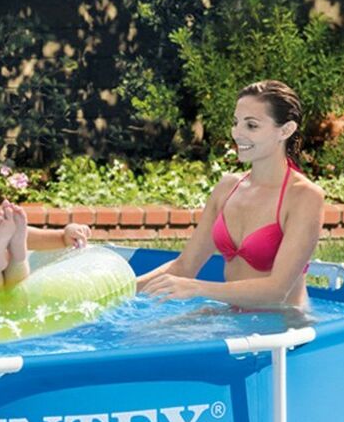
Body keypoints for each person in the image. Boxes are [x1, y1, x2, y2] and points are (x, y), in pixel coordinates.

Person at [137, 80, 324, 309]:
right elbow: (184, 267)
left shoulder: (303, 197)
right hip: (233, 317)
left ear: (285, 130)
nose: (237, 134)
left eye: (251, 126)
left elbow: (276, 292)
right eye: (236, 123)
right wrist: (116, 292)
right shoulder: (228, 188)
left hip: (283, 323)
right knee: (142, 331)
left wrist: (197, 288)